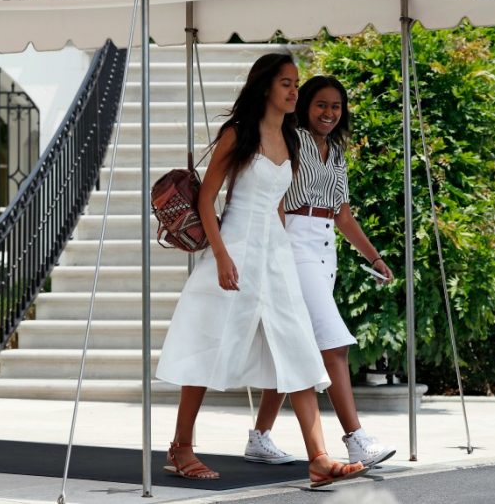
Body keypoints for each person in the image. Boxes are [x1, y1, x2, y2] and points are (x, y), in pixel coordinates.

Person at [155, 55, 367, 487]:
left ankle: (320, 458)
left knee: (298, 347)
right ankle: (180, 447)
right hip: (235, 245)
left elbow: (278, 204)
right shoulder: (238, 134)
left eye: (295, 84)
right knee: (206, 342)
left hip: (276, 254)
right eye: (287, 84)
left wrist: (283, 252)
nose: (294, 92)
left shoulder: (290, 137)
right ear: (266, 87)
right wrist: (221, 257)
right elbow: (207, 199)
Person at [243, 75, 396, 468]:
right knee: (333, 343)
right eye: (321, 105)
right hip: (291, 241)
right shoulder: (290, 140)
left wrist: (375, 258)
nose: (329, 113)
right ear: (306, 104)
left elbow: (344, 215)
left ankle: (259, 436)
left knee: (291, 345)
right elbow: (270, 191)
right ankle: (355, 438)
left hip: (325, 246)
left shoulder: (337, 152)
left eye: (336, 107)